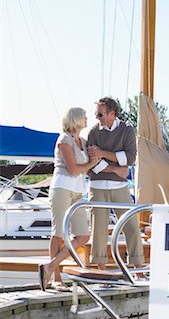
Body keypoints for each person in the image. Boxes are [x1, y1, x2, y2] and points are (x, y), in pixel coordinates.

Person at [38, 107, 100, 291]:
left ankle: (49, 266)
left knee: (82, 236)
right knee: (58, 234)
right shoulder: (63, 140)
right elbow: (73, 169)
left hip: (78, 191)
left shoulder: (83, 141)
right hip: (62, 189)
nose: (88, 118)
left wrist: (95, 161)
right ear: (77, 119)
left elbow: (88, 167)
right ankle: (56, 277)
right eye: (85, 116)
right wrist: (91, 163)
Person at [87, 96, 144, 273]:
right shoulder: (93, 132)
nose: (97, 117)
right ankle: (101, 269)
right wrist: (116, 168)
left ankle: (138, 268)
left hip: (120, 188)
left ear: (112, 114)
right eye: (96, 114)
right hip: (97, 187)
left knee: (132, 227)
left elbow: (129, 158)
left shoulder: (127, 130)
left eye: (100, 114)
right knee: (99, 231)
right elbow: (93, 163)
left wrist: (103, 153)